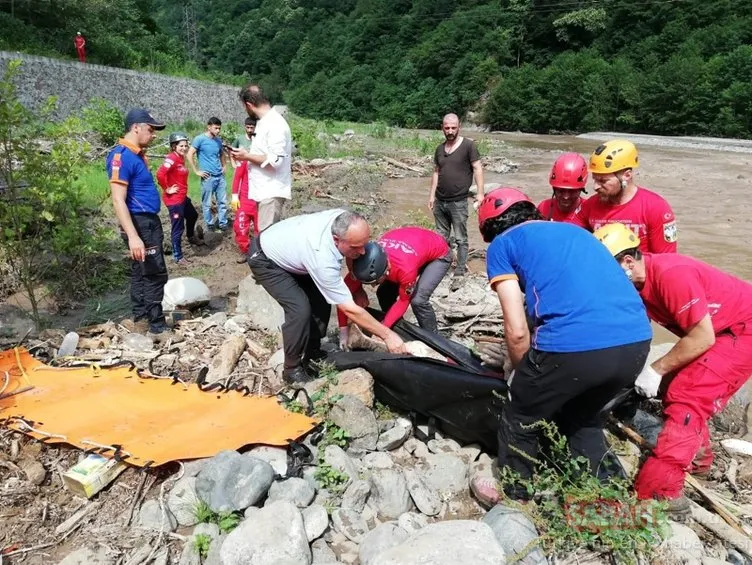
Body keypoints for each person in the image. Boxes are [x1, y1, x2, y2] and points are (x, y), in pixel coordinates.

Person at [469, 187, 652, 507]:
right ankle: (616, 498)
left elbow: (516, 330)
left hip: (577, 346)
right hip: (636, 340)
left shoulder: (503, 244)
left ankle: (515, 497)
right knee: (581, 418)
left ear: (489, 228)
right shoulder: (573, 231)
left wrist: (520, 371)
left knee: (520, 413)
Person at [594, 223, 752, 513]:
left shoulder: (670, 276)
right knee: (676, 388)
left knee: (687, 397)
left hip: (742, 330)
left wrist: (655, 369)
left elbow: (702, 337)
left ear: (628, 261)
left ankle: (659, 493)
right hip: (718, 329)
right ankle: (699, 459)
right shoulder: (636, 283)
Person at [247, 209, 407, 383]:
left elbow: (352, 253)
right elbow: (349, 309)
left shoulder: (344, 218)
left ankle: (313, 352)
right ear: (337, 240)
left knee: (321, 300)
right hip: (266, 259)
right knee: (300, 309)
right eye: (355, 247)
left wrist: (357, 285)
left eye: (364, 244)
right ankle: (291, 370)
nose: (362, 252)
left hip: (295, 251)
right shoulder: (322, 257)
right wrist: (388, 336)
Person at [106, 108, 170, 337]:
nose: (153, 135)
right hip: (140, 223)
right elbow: (117, 199)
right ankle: (157, 326)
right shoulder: (121, 157)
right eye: (150, 129)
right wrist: (133, 236)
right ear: (136, 128)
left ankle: (142, 319)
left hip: (146, 221)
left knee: (141, 271)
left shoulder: (136, 155)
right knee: (154, 272)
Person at [336, 226, 452, 346]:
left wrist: (382, 330)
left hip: (439, 254)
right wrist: (343, 331)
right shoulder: (363, 261)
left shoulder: (405, 270)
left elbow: (403, 301)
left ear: (386, 270)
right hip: (412, 244)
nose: (372, 286)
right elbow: (341, 298)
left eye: (375, 282)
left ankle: (435, 342)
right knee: (383, 293)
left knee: (418, 300)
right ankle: (397, 328)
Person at [573, 139, 678, 253]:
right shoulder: (589, 206)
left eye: (603, 181)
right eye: (595, 179)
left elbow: (666, 259)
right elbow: (570, 240)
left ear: (626, 175)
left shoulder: (656, 208)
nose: (596, 187)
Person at [428, 113, 484, 289]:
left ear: (459, 126)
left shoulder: (469, 146)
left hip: (459, 201)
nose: (450, 131)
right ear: (442, 128)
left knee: (460, 238)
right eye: (447, 128)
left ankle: (460, 270)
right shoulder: (439, 149)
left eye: (453, 127)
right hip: (440, 200)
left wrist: (480, 193)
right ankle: (442, 267)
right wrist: (431, 196)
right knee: (441, 237)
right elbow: (436, 172)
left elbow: (477, 168)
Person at [231, 84, 292, 231]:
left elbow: (275, 160)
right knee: (264, 236)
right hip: (264, 191)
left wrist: (246, 156)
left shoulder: (274, 124)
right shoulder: (264, 122)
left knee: (267, 239)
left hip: (271, 192)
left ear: (249, 105)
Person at [156, 132, 203, 266]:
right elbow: (160, 174)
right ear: (174, 146)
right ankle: (178, 256)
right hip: (174, 200)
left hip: (182, 197)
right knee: (177, 227)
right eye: (181, 146)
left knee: (193, 215)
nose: (184, 148)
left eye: (185, 145)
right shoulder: (171, 158)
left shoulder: (180, 158)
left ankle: (191, 237)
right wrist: (167, 188)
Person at [187, 117, 229, 232]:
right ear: (209, 126)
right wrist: (196, 171)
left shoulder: (218, 141)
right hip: (208, 176)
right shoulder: (199, 139)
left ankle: (223, 223)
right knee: (207, 203)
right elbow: (190, 154)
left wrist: (224, 166)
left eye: (219, 128)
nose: (218, 131)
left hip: (219, 176)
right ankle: (210, 224)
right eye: (216, 128)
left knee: (223, 201)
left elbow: (222, 154)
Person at [537, 152, 588, 223]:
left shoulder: (588, 210)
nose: (566, 197)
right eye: (560, 191)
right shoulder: (544, 207)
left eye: (571, 191)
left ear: (581, 189)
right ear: (554, 188)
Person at [231, 158, 258, 261]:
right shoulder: (244, 160)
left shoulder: (264, 160)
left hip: (259, 200)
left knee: (259, 229)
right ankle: (245, 251)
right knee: (240, 227)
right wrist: (234, 196)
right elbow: (237, 177)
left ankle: (259, 252)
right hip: (244, 200)